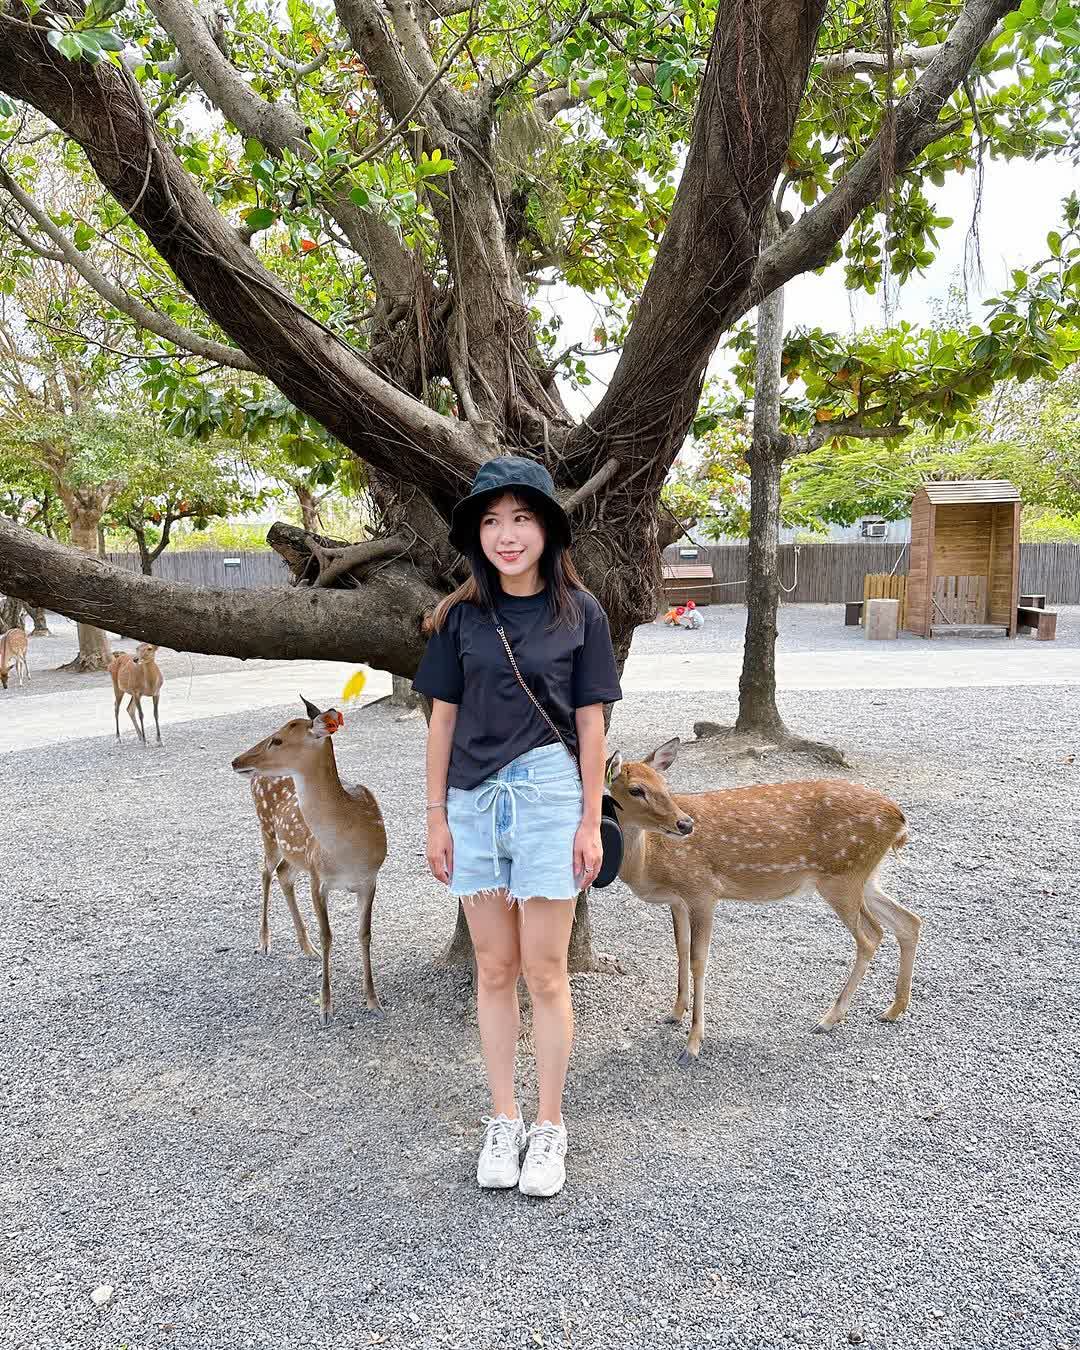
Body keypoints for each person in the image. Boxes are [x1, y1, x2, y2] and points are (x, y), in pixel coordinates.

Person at [414, 456, 622, 1198]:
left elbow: (592, 724)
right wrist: (437, 815)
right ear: (478, 534)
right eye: (493, 520)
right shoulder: (459, 619)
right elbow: (442, 721)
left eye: (522, 518)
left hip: (547, 798)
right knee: (494, 970)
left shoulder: (581, 614)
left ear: (546, 529)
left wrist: (590, 821)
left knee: (546, 971)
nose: (508, 534)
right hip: (472, 805)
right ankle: (502, 1119)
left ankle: (550, 1125)